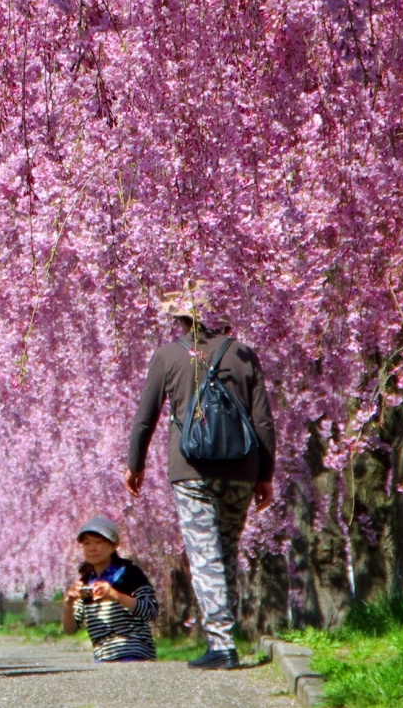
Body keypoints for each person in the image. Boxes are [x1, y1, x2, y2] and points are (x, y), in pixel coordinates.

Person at [125, 284, 279, 670]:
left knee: (205, 554)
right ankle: (224, 638)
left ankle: (223, 644)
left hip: (191, 469)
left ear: (182, 319)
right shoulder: (243, 355)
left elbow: (146, 418)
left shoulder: (168, 356)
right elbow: (262, 420)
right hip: (241, 469)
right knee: (226, 551)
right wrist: (265, 474)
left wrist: (136, 463)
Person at [62, 516, 157, 662]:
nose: (92, 548)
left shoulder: (129, 575)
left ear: (113, 546)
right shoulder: (86, 582)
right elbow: (71, 629)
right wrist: (68, 604)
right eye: (87, 543)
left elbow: (151, 611)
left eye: (98, 542)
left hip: (133, 652)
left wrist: (115, 595)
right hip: (102, 656)